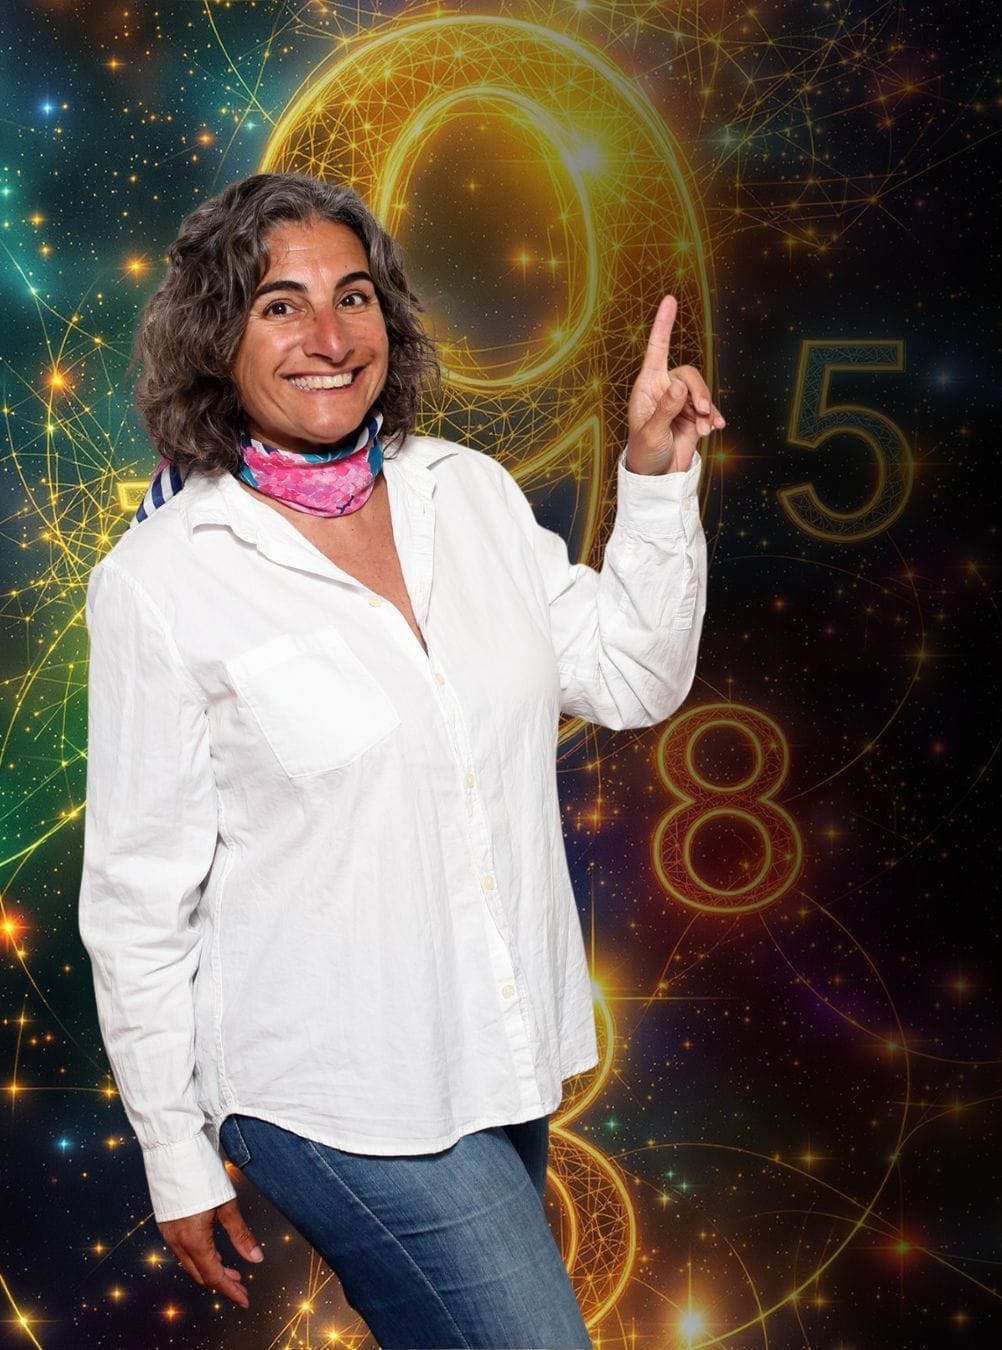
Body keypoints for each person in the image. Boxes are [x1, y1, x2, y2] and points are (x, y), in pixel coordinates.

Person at [78, 171, 722, 1350]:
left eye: (354, 296)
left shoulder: (465, 495)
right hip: (331, 1091)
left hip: (496, 1052)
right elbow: (135, 902)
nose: (329, 338)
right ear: (216, 338)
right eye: (279, 305)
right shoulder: (163, 579)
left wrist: (655, 474)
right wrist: (176, 1153)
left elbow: (631, 677)